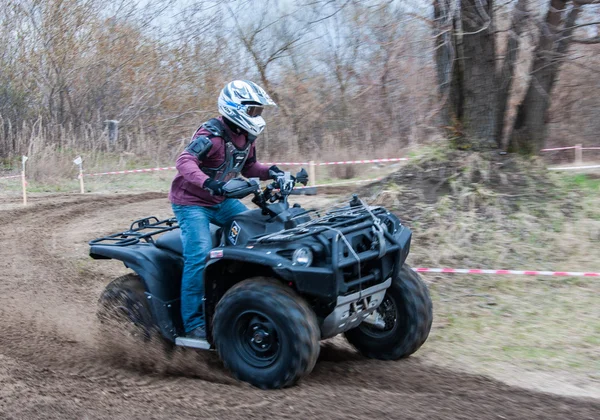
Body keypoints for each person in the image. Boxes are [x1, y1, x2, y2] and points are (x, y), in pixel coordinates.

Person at [169, 80, 283, 339]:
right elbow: (184, 161)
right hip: (192, 203)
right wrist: (209, 183)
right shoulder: (210, 135)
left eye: (259, 111)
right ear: (235, 108)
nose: (257, 115)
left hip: (221, 200)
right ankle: (194, 324)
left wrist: (271, 171)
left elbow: (249, 167)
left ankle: (245, 296)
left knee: (255, 231)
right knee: (198, 254)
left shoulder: (246, 136)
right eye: (253, 110)